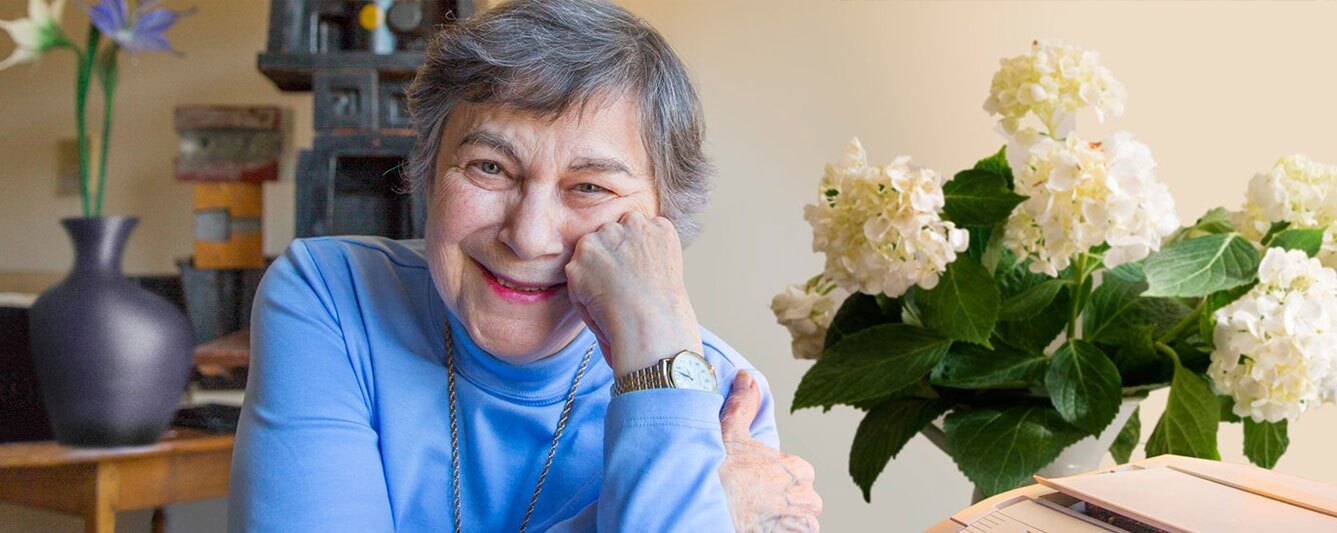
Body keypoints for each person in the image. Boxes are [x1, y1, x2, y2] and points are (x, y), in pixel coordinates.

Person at [227, 0, 822, 531]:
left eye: (589, 187)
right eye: (490, 167)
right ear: (429, 169)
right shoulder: (331, 299)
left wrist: (659, 382)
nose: (529, 237)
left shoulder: (714, 395)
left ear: (662, 223)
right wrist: (696, 509)